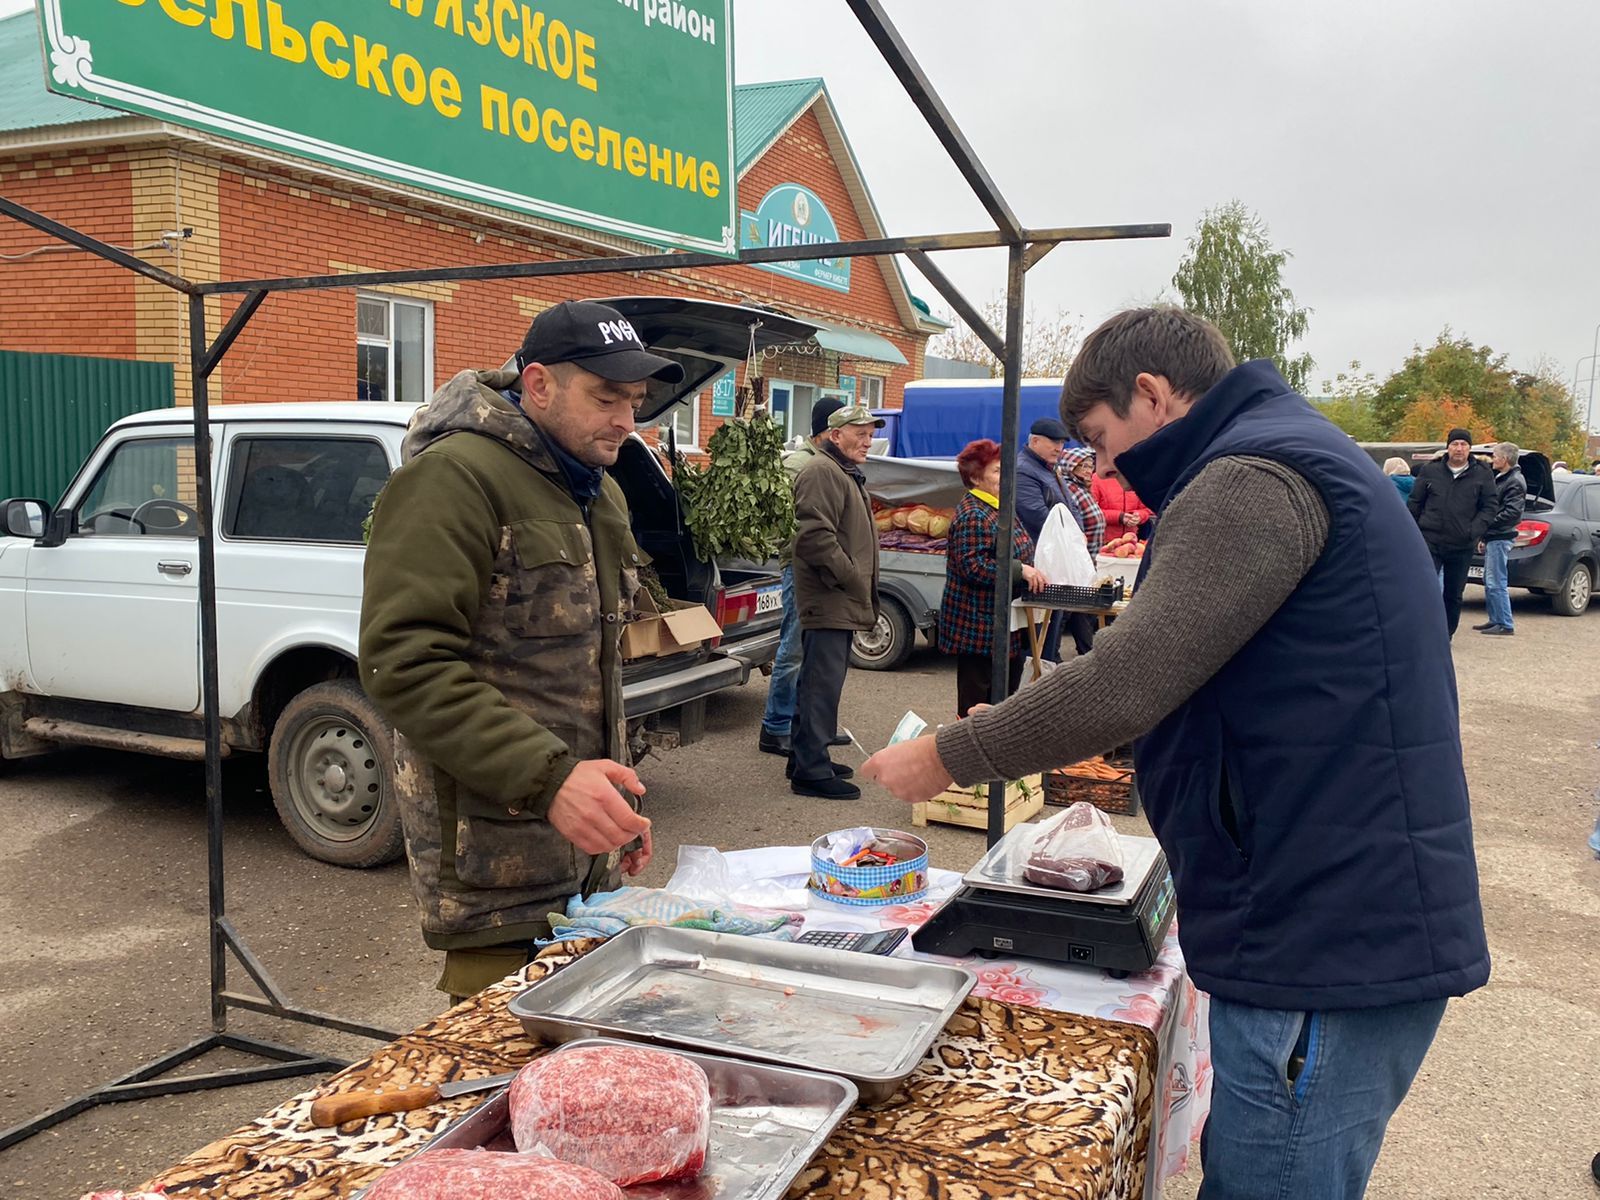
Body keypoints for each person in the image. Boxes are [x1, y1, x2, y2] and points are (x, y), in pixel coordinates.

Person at [862, 307, 1489, 1200]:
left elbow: (1128, 679)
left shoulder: (1250, 479)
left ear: (1152, 395)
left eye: (1101, 437)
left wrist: (949, 754)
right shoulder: (1290, 451)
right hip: (1334, 910)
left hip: (1318, 936)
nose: (1103, 465)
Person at [359, 300, 671, 1002]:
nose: (626, 420)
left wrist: (610, 805)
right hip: (493, 868)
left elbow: (587, 668)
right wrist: (552, 780)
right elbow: (401, 662)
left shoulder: (600, 492)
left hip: (583, 862)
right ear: (537, 385)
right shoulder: (455, 478)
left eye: (635, 400)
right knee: (501, 1082)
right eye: (606, 397)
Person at [787, 404, 885, 800]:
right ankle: (810, 772)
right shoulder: (821, 472)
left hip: (839, 596)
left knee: (821, 682)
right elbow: (813, 536)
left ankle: (807, 757)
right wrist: (849, 577)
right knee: (820, 685)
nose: (867, 440)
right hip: (830, 596)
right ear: (834, 434)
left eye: (869, 433)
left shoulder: (840, 471)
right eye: (858, 433)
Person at [758, 396, 849, 758]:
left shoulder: (829, 463)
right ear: (830, 432)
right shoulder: (801, 466)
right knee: (794, 649)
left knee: (817, 655)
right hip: (801, 568)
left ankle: (811, 726)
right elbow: (799, 527)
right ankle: (776, 727)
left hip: (823, 570)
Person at [939, 438, 1048, 717]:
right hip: (978, 626)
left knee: (1003, 700)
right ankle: (966, 753)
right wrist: (1019, 569)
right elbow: (972, 567)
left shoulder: (997, 507)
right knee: (976, 701)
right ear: (976, 477)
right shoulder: (973, 513)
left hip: (1002, 624)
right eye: (997, 471)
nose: (1005, 476)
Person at [1407, 428, 1496, 637]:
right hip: (1430, 539)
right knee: (1424, 587)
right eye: (1455, 444)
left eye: (1463, 445)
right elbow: (1415, 502)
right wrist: (1414, 529)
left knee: (1454, 593)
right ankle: (1421, 630)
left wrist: (1473, 530)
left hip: (1461, 543)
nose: (1459, 449)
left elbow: (1490, 506)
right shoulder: (1431, 470)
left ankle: (1445, 633)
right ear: (1448, 447)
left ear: (1469, 449)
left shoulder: (1482, 473)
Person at [1014, 416, 1071, 662]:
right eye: (1054, 442)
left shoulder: (1049, 469)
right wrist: (1071, 536)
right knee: (1038, 637)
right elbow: (1038, 516)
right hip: (1037, 562)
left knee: (1050, 631)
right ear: (1035, 441)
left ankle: (1046, 672)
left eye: (1062, 443)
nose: (1059, 448)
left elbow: (1068, 508)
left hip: (1052, 561)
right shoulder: (1024, 470)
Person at [1473, 441, 1526, 636]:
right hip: (1494, 535)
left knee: (1496, 581)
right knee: (1490, 580)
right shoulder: (1504, 478)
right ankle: (1495, 619)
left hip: (1501, 535)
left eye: (1495, 456)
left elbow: (1511, 512)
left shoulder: (1513, 481)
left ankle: (1504, 622)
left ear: (1504, 459)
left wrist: (1486, 522)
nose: (1493, 459)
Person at [1058, 445, 1106, 656]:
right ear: (1071, 467)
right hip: (1078, 558)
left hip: (1090, 556)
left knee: (1080, 608)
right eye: (1083, 466)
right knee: (1072, 609)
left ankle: (1087, 650)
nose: (1088, 470)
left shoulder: (1082, 488)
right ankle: (1054, 654)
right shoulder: (1070, 490)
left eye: (1090, 466)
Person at [1090, 465, 1153, 539]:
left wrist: (1138, 516)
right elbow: (1091, 512)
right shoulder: (1098, 478)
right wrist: (1119, 517)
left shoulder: (1138, 477)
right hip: (1103, 540)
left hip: (1131, 539)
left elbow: (1147, 508)